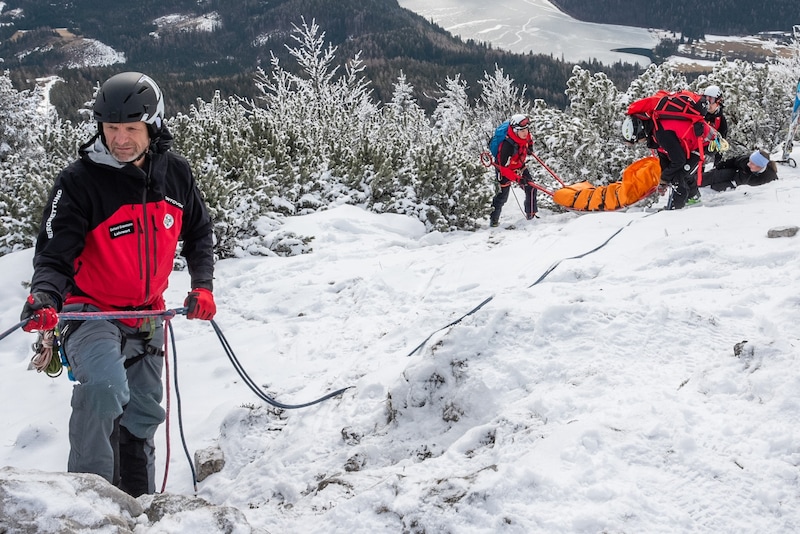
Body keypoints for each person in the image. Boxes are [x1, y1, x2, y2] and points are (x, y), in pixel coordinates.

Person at [19, 72, 216, 497]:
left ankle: (138, 504)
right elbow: (55, 253)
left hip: (147, 314)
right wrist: (44, 297)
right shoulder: (79, 182)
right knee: (106, 389)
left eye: (131, 128)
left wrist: (203, 285)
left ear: (154, 126)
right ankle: (89, 501)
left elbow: (198, 232)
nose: (120, 139)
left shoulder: (176, 174)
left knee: (143, 413)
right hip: (91, 310)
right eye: (111, 128)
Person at [489, 114, 538, 227]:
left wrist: (530, 148)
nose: (525, 132)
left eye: (526, 129)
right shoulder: (507, 146)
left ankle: (531, 217)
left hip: (518, 164)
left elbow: (529, 139)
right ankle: (494, 220)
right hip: (504, 170)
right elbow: (503, 168)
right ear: (515, 130)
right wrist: (518, 179)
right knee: (502, 197)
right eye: (522, 130)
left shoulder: (524, 135)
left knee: (531, 188)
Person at [700, 149, 778, 191]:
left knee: (715, 187)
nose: (748, 164)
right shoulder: (745, 160)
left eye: (752, 163)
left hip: (737, 185)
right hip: (734, 173)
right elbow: (733, 161)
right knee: (711, 176)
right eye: (749, 161)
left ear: (760, 166)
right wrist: (720, 166)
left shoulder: (769, 177)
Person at [702, 85, 728, 167]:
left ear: (718, 102)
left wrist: (715, 162)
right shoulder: (699, 113)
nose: (708, 102)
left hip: (705, 152)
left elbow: (720, 143)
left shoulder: (720, 121)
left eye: (711, 99)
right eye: (706, 98)